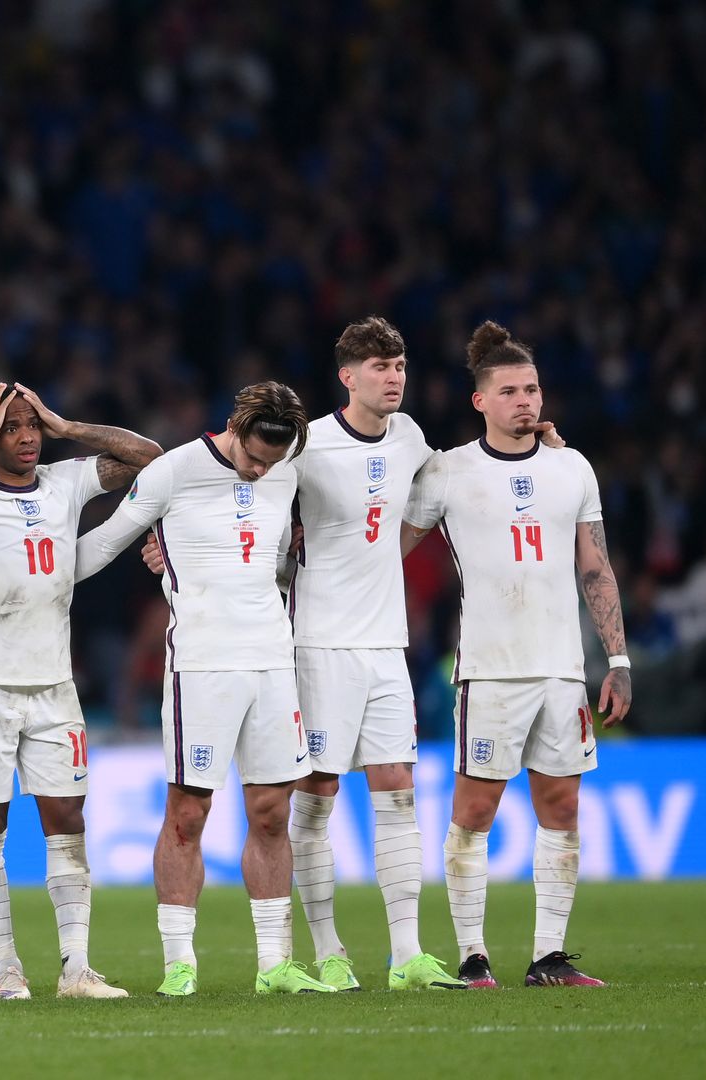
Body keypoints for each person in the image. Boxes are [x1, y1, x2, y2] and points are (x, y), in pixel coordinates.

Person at [140, 318, 464, 991]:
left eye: (400, 363)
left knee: (399, 794)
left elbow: (438, 485)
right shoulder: (304, 448)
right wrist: (173, 552)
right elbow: (236, 501)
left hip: (387, 645)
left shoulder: (409, 439)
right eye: (380, 365)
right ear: (348, 376)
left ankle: (407, 955)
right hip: (314, 643)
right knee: (311, 802)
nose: (395, 375)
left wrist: (533, 441)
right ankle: (329, 950)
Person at [0, 382, 160, 1000]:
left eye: (30, 427)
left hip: (55, 687)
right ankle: (6, 968)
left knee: (67, 821)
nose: (24, 437)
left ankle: (76, 968)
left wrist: (68, 426)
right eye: (12, 427)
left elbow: (150, 458)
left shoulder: (67, 480)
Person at [77, 381, 336, 996]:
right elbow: (104, 543)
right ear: (233, 426)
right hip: (201, 664)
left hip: (273, 662)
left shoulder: (284, 471)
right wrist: (31, 579)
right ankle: (179, 964)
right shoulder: (176, 470)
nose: (260, 469)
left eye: (272, 461)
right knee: (189, 814)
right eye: (253, 457)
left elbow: (269, 563)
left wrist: (286, 557)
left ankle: (275, 965)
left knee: (272, 814)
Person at [403, 321, 632, 989]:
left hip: (562, 668)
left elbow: (596, 566)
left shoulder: (572, 467)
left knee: (561, 806)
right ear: (481, 401)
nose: (525, 402)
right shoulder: (447, 471)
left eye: (531, 389)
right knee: (475, 812)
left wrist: (617, 660)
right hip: (489, 667)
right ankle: (473, 956)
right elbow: (386, 548)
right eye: (509, 392)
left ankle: (549, 957)